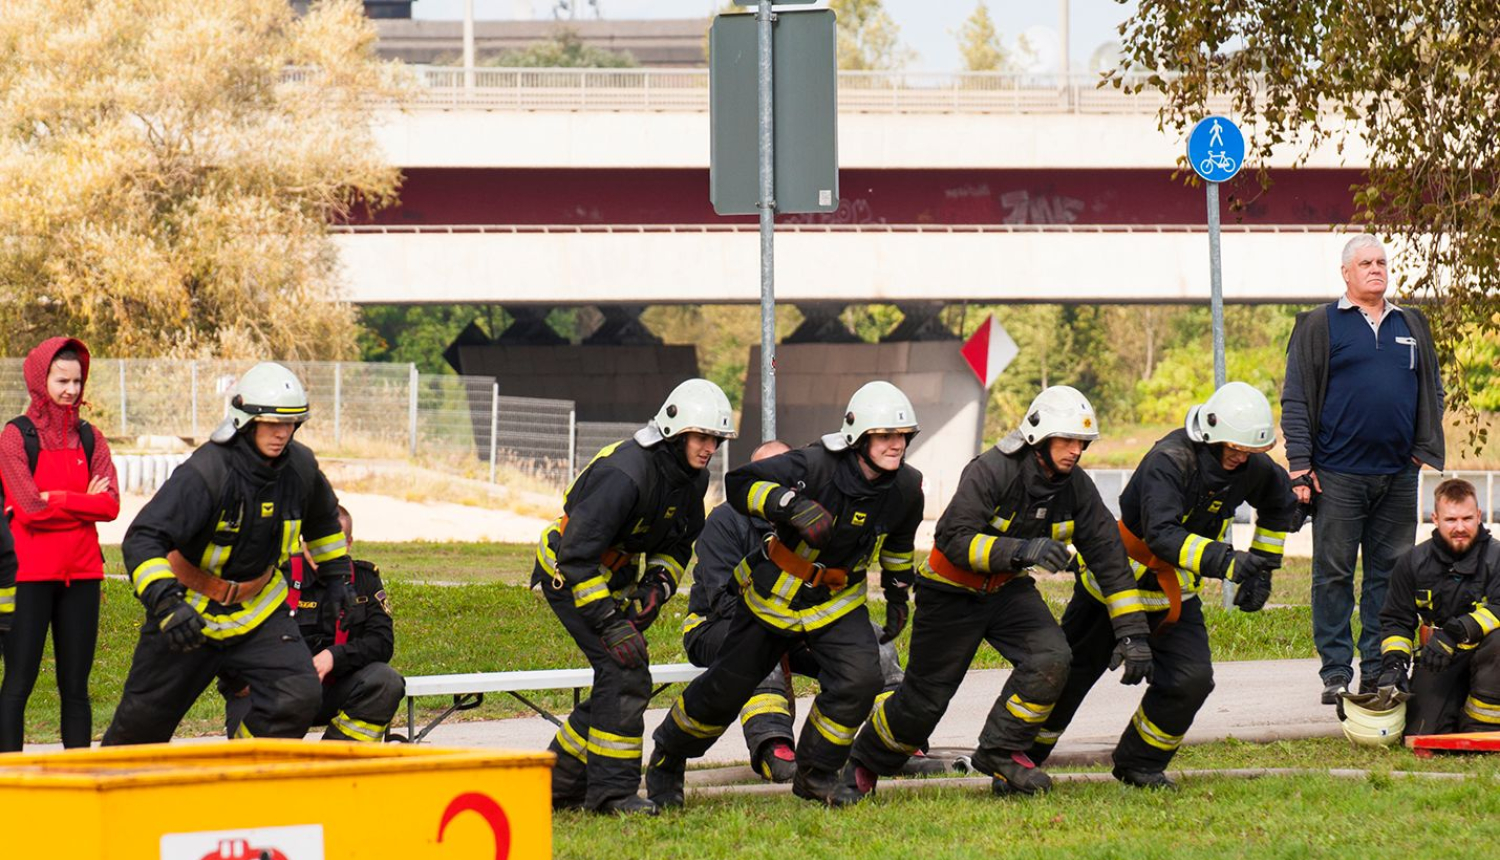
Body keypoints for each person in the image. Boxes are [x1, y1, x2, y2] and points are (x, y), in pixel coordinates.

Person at [846, 385, 1151, 798]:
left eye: (1081, 442)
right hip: (951, 591)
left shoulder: (1077, 487)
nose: (1076, 451)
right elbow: (952, 537)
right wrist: (1023, 550)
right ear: (1038, 437)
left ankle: (1001, 751)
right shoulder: (992, 469)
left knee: (1053, 657)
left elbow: (1111, 560)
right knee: (924, 701)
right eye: (1067, 440)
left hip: (1007, 591)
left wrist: (1133, 634)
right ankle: (864, 761)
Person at [646, 381, 925, 809]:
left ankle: (815, 774)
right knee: (724, 691)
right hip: (770, 602)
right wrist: (787, 504)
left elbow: (900, 546)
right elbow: (741, 483)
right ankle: (668, 757)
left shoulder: (907, 487)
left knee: (861, 679)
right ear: (859, 436)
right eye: (886, 436)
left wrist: (897, 594)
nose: (896, 445)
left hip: (835, 605)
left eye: (902, 436)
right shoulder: (815, 464)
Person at [1029, 382, 1298, 789]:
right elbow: (1162, 535)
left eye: (1249, 451)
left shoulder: (1251, 468)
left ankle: (1141, 763)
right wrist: (1227, 562)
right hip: (1114, 589)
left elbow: (1280, 504)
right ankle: (1021, 760)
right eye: (1233, 448)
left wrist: (1264, 568)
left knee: (1191, 678)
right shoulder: (1168, 461)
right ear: (1209, 434)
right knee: (1070, 677)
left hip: (1173, 594)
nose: (1240, 457)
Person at [101, 362, 353, 746]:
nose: (282, 433)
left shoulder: (300, 468)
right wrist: (167, 604)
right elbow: (144, 538)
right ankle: (110, 798)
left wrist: (336, 580)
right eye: (271, 423)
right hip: (188, 613)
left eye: (290, 424)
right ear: (245, 420)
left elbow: (322, 523)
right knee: (141, 730)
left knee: (296, 696)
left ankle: (243, 774)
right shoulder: (207, 471)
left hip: (258, 612)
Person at [534, 378, 736, 815]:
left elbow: (680, 542)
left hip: (614, 577)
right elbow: (576, 557)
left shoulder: (690, 479)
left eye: (716, 440)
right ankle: (611, 795)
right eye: (702, 438)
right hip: (569, 573)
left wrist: (657, 586)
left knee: (618, 679)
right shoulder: (624, 474)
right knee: (624, 669)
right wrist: (609, 622)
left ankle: (556, 783)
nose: (709, 449)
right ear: (675, 431)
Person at [684, 438, 925, 783]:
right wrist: (779, 628)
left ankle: (896, 745)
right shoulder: (725, 521)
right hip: (719, 625)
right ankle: (776, 749)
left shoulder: (821, 513)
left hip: (799, 625)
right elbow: (723, 599)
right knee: (757, 649)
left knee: (876, 647)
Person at [1282, 234, 1445, 703]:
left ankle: (1379, 669)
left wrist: (1420, 451)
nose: (1376, 269)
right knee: (1333, 573)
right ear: (1346, 273)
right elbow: (1295, 399)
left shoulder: (1411, 323)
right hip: (1337, 475)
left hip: (1397, 475)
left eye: (1381, 262)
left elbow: (1431, 389)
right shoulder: (1320, 324)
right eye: (1366, 263)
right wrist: (1300, 466)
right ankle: (1336, 672)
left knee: (1389, 576)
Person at [0, 337, 119, 751]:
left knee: (76, 688)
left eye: (77, 381)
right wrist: (85, 503)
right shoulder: (16, 437)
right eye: (62, 380)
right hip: (29, 576)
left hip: (83, 575)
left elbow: (111, 505)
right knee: (18, 684)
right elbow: (29, 509)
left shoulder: (92, 437)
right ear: (40, 378)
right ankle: (8, 782)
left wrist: (63, 499)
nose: (71, 390)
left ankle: (80, 777)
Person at [224, 505, 401, 743]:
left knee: (385, 681)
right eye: (316, 544)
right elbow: (234, 633)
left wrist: (334, 657)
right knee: (255, 766)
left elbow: (381, 643)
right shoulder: (276, 577)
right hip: (273, 692)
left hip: (332, 689)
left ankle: (335, 765)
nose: (323, 553)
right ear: (303, 542)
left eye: (333, 544)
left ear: (349, 543)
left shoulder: (365, 580)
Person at [1375, 478, 1500, 735]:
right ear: (1435, 518)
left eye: (1467, 518)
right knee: (1420, 733)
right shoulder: (1412, 562)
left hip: (1489, 658)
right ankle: (1456, 712)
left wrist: (1455, 633)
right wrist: (1394, 665)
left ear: (1479, 516)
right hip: (1438, 658)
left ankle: (1483, 728)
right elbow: (1397, 620)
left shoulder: (1496, 558)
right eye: (1451, 520)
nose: (1460, 527)